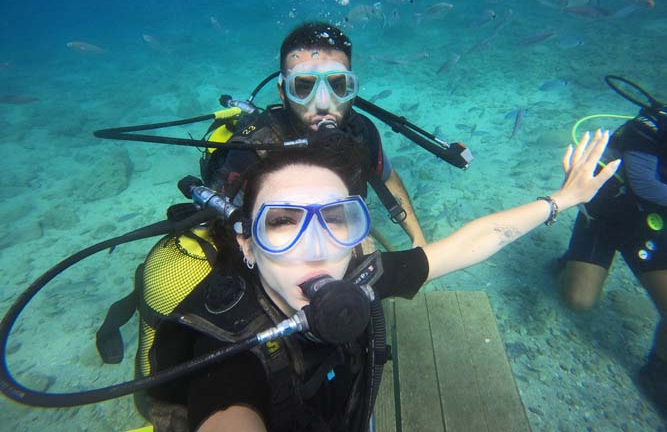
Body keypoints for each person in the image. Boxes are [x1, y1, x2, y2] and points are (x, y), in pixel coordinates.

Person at [145, 130, 618, 432]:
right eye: (283, 222)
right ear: (247, 245)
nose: (317, 247)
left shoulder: (360, 277)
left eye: (336, 218)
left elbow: (472, 241)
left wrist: (562, 199)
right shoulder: (226, 352)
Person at [201, 21, 426, 247]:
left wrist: (418, 239)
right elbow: (229, 231)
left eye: (337, 85)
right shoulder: (251, 153)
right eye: (304, 87)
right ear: (282, 92)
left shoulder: (361, 132)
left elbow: (386, 177)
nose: (323, 103)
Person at [558, 109, 667, 418]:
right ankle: (569, 262)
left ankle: (657, 370)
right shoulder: (649, 127)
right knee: (578, 301)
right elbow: (644, 184)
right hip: (607, 214)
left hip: (653, 225)